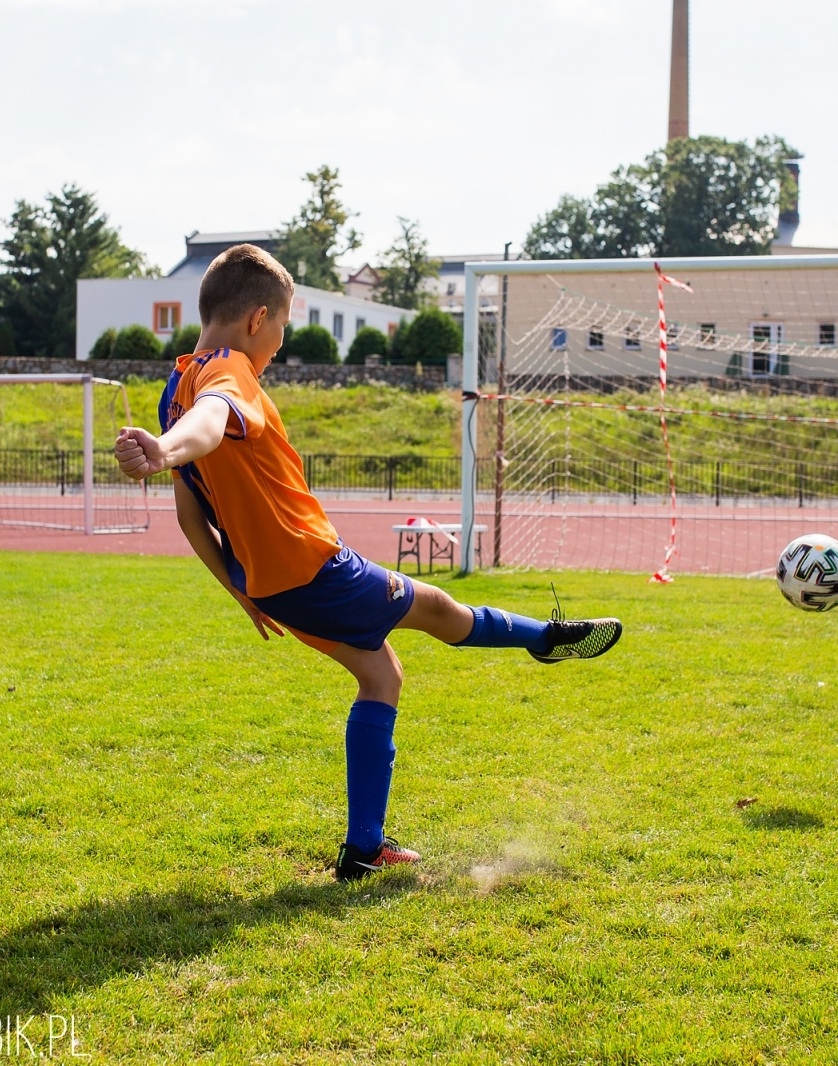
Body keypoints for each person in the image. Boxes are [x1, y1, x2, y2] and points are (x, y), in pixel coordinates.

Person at [113, 245, 622, 881]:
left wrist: (239, 590)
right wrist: (165, 451)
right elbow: (216, 419)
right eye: (282, 325)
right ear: (256, 319)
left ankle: (363, 850)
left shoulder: (173, 389)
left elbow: (192, 516)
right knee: (438, 609)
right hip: (312, 568)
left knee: (382, 676)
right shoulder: (229, 372)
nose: (281, 341)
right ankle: (544, 639)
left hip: (268, 583)